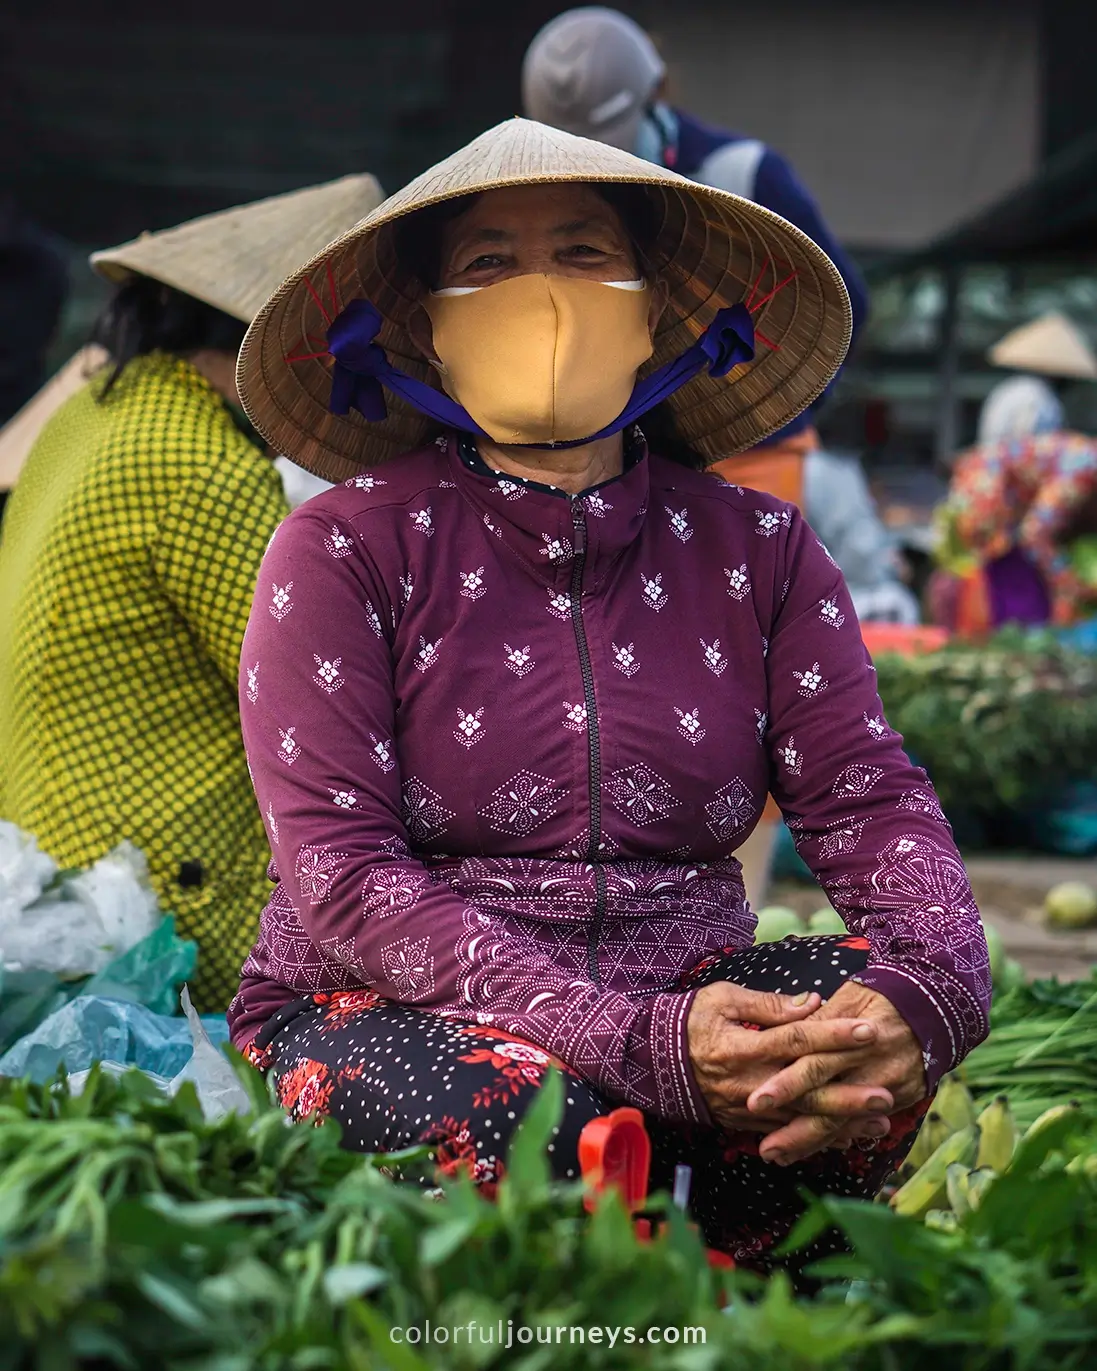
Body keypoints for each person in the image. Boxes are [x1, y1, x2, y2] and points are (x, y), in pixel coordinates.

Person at [228, 119, 989, 1271]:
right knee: (520, 1124)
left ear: (650, 316)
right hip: (386, 1008)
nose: (538, 294)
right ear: (428, 334)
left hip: (686, 995)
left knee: (843, 1046)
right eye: (486, 264)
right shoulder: (340, 550)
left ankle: (682, 1225)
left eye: (583, 253)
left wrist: (928, 989)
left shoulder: (762, 549)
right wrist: (633, 1043)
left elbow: (863, 795)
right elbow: (340, 873)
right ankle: (640, 1218)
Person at [522, 8, 898, 903]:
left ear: (659, 90)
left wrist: (749, 397)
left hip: (751, 459)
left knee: (743, 683)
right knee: (620, 679)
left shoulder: (741, 174)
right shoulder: (528, 179)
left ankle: (737, 903)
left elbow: (840, 303)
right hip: (607, 458)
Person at [0, 174, 384, 1009]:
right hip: (164, 899)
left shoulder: (99, 411)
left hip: (58, 856)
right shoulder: (198, 466)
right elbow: (320, 692)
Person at [931, 314, 1097, 635]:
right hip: (994, 501)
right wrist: (1071, 585)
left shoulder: (1008, 390)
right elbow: (1037, 529)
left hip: (988, 490)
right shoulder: (1044, 409)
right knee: (1014, 594)